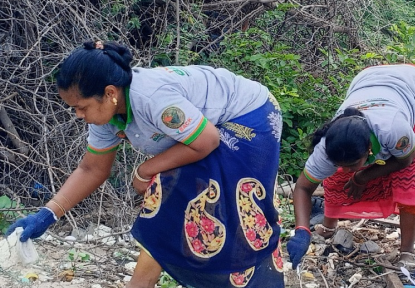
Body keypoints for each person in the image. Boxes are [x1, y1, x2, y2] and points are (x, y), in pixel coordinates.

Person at [5, 41, 285, 288]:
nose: (78, 115)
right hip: (209, 131)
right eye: (73, 109)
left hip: (250, 116)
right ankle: (143, 282)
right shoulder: (107, 116)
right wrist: (47, 215)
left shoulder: (152, 99)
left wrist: (145, 169)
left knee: (211, 200)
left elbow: (206, 141)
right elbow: (92, 169)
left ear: (110, 92)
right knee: (171, 191)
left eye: (82, 107)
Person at [287, 64, 415, 269]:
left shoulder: (393, 130)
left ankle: (407, 251)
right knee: (335, 176)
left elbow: (406, 159)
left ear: (370, 148)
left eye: (353, 165)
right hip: (368, 79)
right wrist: (301, 230)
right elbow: (303, 187)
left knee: (411, 176)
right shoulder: (327, 146)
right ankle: (329, 225)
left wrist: (362, 177)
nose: (348, 169)